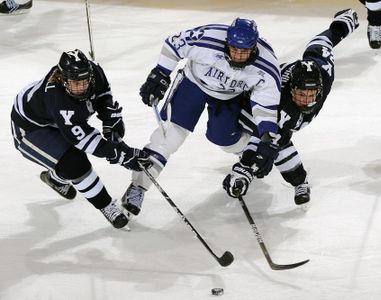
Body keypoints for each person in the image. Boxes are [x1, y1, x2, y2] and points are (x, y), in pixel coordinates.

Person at [121, 18, 282, 216]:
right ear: (226, 43)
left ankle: (245, 153)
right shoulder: (208, 37)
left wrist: (265, 139)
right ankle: (138, 187)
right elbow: (174, 43)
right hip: (193, 83)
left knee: (224, 139)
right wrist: (160, 73)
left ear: (254, 47)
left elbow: (265, 105)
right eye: (234, 49)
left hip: (228, 97)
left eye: (245, 51)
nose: (239, 55)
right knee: (170, 135)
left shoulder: (267, 65)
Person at [222, 9, 359, 208]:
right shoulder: (279, 99)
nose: (305, 100)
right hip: (253, 104)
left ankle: (297, 180)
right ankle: (299, 181)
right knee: (272, 139)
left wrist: (343, 23)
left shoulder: (324, 71)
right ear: (292, 89)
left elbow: (322, 42)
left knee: (276, 140)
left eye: (311, 95)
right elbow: (268, 140)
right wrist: (245, 171)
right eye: (301, 94)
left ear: (319, 89)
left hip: (285, 114)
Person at [10, 49, 152, 228]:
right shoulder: (57, 98)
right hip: (30, 128)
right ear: (62, 79)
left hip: (54, 118)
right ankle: (107, 206)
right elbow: (85, 140)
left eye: (84, 81)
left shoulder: (95, 71)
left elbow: (103, 95)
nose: (81, 87)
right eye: (75, 83)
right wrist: (122, 154)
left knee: (69, 164)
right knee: (75, 165)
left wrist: (109, 117)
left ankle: (55, 178)